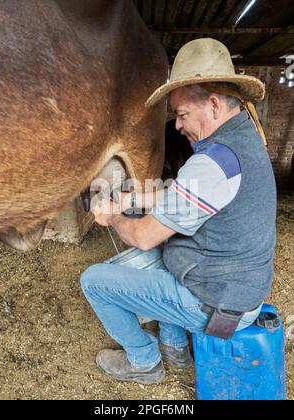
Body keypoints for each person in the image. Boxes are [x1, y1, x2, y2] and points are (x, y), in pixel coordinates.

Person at [80, 39, 277, 385]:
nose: (177, 126)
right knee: (171, 249)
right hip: (238, 290)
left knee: (94, 281)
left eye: (182, 114)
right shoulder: (243, 139)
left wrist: (111, 216)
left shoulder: (211, 163)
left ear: (213, 105)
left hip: (221, 305)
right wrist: (129, 201)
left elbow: (142, 238)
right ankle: (175, 347)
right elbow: (183, 195)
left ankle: (143, 360)